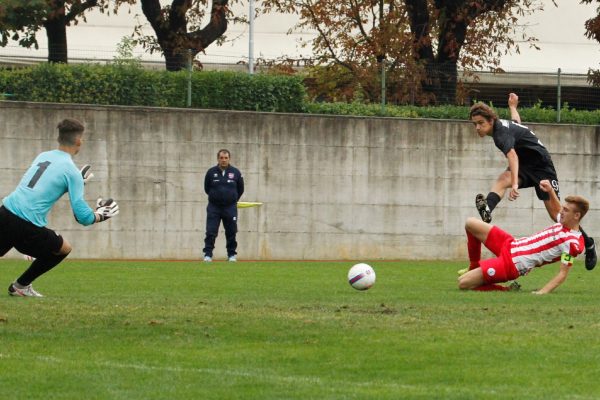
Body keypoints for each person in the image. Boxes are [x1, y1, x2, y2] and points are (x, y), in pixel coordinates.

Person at [469, 93, 596, 270]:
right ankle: (487, 210)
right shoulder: (502, 127)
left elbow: (512, 155)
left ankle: (588, 243)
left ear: (491, 121)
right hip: (526, 165)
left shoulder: (500, 134)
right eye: (474, 124)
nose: (477, 128)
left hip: (542, 167)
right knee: (502, 179)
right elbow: (518, 125)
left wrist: (514, 184)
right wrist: (513, 107)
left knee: (558, 216)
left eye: (480, 123)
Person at [1, 118, 119, 297]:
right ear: (79, 141)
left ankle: (21, 286)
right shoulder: (71, 172)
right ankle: (21, 286)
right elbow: (83, 217)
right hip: (27, 225)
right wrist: (101, 214)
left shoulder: (44, 156)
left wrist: (76, 182)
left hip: (5, 211)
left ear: (59, 138)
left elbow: (44, 186)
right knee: (63, 248)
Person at [458, 180, 588, 294]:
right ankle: (474, 265)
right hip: (510, 243)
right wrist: (550, 191)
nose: (561, 211)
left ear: (576, 216)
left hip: (513, 264)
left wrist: (542, 292)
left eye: (566, 210)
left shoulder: (572, 244)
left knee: (463, 283)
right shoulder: (564, 221)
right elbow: (557, 207)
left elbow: (562, 274)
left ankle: (506, 290)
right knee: (470, 223)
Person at [203, 149, 244, 262]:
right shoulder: (211, 172)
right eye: (221, 158)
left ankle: (231, 255)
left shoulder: (236, 172)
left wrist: (232, 199)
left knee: (231, 231)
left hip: (230, 207)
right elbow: (207, 189)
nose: (223, 160)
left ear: (229, 159)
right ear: (218, 159)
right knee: (211, 231)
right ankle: (208, 255)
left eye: (226, 158)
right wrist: (216, 197)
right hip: (214, 207)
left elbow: (240, 190)